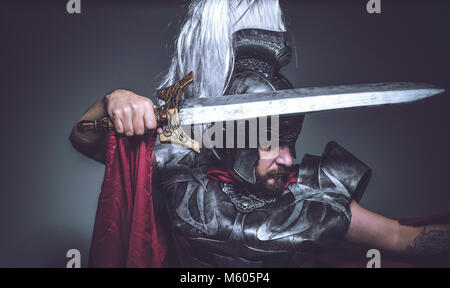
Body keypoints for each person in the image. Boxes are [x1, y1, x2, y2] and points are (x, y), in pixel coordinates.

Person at [70, 0, 450, 267]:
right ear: (234, 141)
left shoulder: (314, 200)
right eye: (271, 143)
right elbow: (85, 137)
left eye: (290, 144)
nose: (287, 158)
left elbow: (404, 239)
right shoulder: (179, 169)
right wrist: (114, 100)